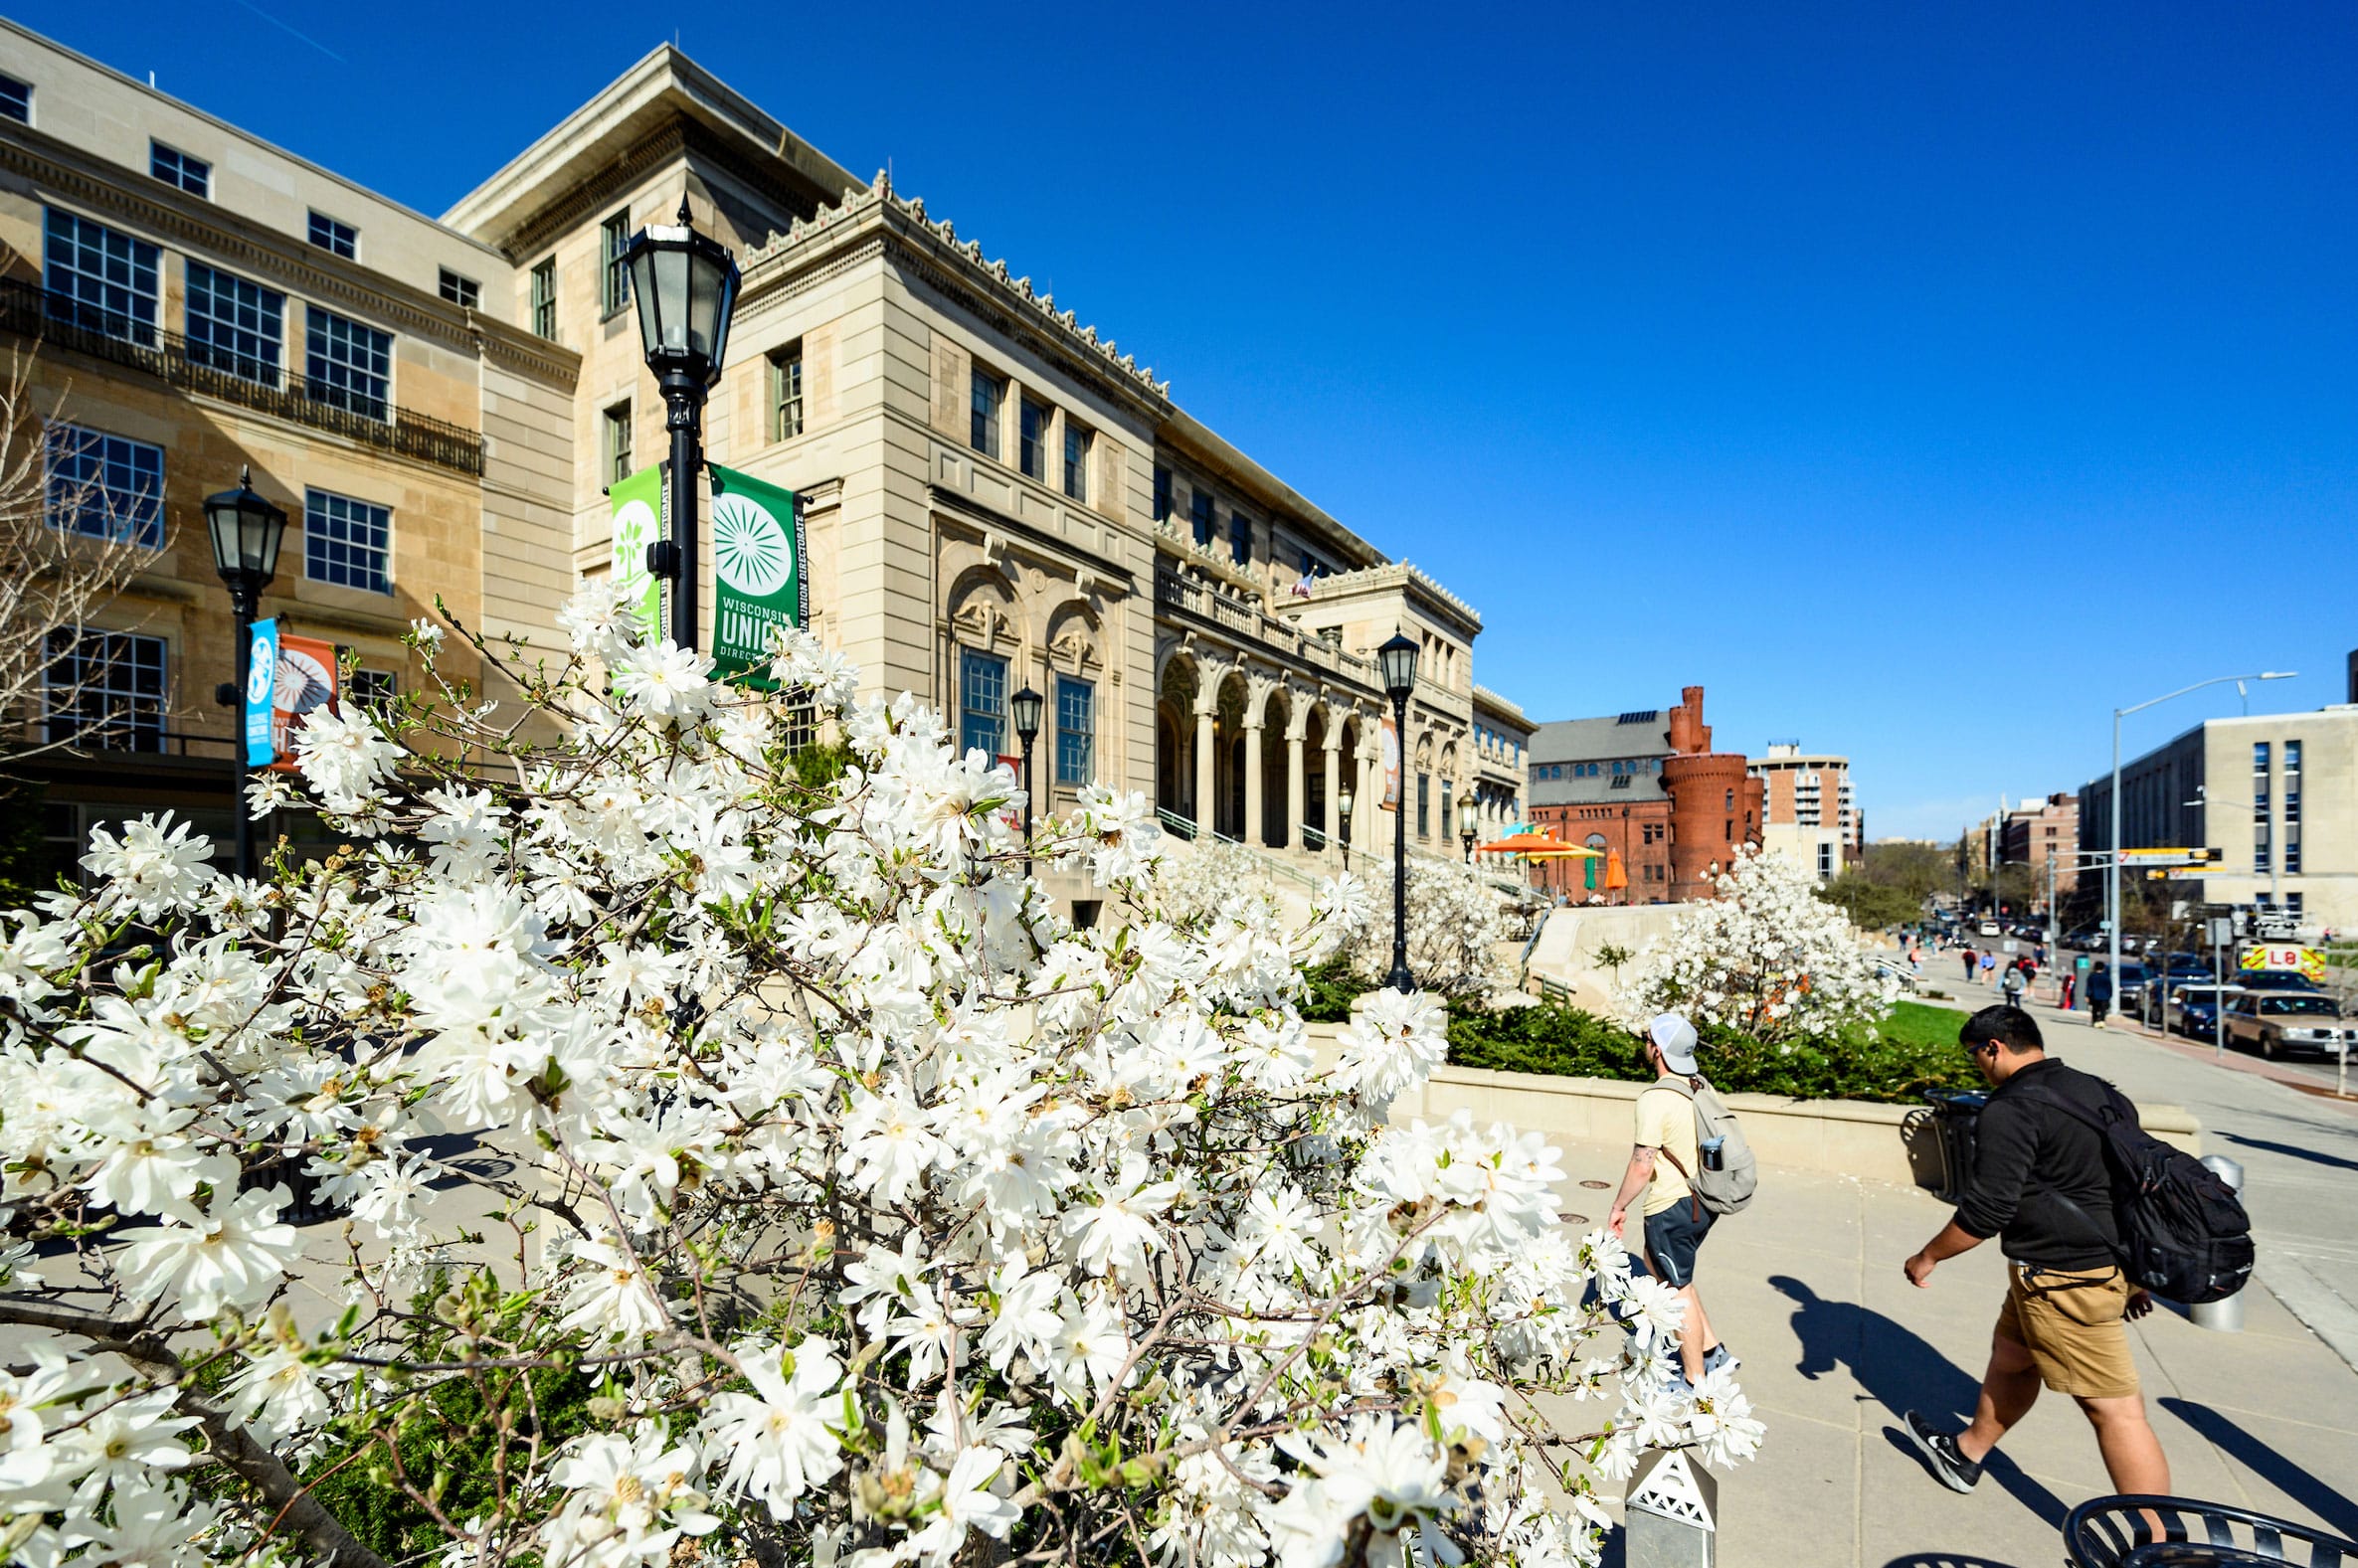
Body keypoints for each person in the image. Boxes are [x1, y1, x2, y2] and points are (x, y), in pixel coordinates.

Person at [1903, 1005, 2170, 1499]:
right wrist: (2135, 1275)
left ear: (1994, 1048)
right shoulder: (2098, 1091)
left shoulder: (2011, 1108)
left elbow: (1987, 1211)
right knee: (2013, 1358)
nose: (1978, 1068)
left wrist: (1928, 1256)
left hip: (2064, 1279)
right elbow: (2132, 1186)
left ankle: (2158, 1542)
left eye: (1976, 1056)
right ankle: (1965, 1454)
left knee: (2115, 1410)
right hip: (2083, 1265)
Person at [1608, 1013, 1733, 1395]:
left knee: (1674, 1293)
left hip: (1671, 1207)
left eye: (1647, 1038)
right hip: (1703, 1201)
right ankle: (1714, 1352)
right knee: (1677, 1276)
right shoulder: (1699, 1086)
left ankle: (1694, 1378)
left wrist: (1619, 1206)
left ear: (1657, 1049)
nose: (1644, 1044)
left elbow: (1642, 1165)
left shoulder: (1655, 1098)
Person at [2087, 961, 2113, 1028]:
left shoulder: (2092, 976)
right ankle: (2102, 1021)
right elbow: (2110, 987)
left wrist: (2087, 995)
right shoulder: (2106, 977)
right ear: (2103, 968)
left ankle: (2095, 1021)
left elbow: (2089, 987)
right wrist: (2110, 995)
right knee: (2103, 1010)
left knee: (2095, 1009)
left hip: (2094, 996)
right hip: (2105, 996)